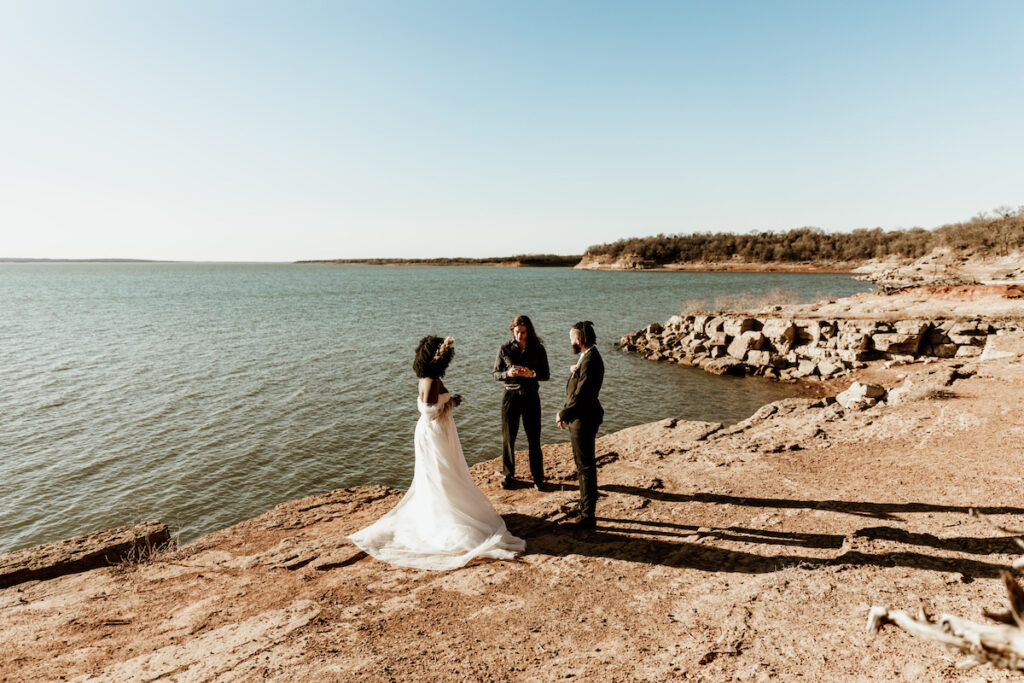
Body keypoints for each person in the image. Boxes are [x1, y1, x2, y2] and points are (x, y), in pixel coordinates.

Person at [348, 336, 525, 570]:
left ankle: (442, 511)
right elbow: (432, 411)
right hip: (434, 432)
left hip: (434, 430)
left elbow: (430, 407)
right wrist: (451, 403)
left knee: (439, 474)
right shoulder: (431, 381)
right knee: (443, 474)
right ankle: (447, 518)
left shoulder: (426, 378)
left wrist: (449, 401)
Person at [492, 315, 550, 490]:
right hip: (510, 397)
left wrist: (531, 374)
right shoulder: (504, 349)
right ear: (513, 331)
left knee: (534, 439)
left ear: (529, 331)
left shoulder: (538, 349)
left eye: (523, 332)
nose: (520, 335)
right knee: (509, 438)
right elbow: (495, 374)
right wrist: (507, 374)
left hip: (531, 397)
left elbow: (546, 374)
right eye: (517, 332)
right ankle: (508, 475)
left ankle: (538, 478)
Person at [556, 321, 604, 530]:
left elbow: (583, 395)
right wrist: (575, 371)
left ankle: (588, 516)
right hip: (581, 416)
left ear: (578, 340)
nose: (570, 343)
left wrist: (563, 413)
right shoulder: (587, 357)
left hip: (584, 418)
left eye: (571, 339)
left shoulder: (591, 360)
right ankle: (584, 506)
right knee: (582, 465)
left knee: (585, 467)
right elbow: (581, 385)